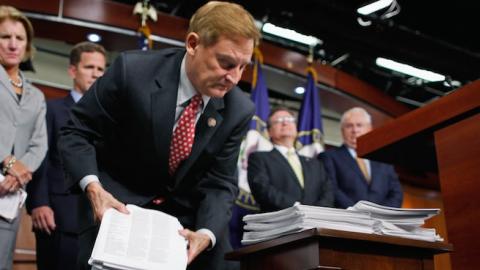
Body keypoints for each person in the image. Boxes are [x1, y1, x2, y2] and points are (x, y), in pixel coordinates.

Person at [57, 2, 260, 270]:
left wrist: (206, 233)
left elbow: (220, 182)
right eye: (226, 63)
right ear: (192, 44)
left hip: (187, 218)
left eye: (243, 67)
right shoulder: (132, 71)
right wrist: (94, 189)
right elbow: (76, 131)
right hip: (117, 203)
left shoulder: (239, 109)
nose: (234, 78)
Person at [26, 42, 106, 270]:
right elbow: (40, 156)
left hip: (95, 220)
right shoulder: (51, 109)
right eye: (89, 67)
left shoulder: (108, 117)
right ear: (73, 70)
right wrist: (39, 203)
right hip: (57, 217)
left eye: (100, 70)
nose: (95, 74)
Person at [0, 5, 47, 270]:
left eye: (19, 38)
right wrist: (7, 161)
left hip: (10, 193)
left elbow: (39, 142)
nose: (13, 44)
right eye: (5, 37)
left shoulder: (36, 95)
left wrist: (19, 172)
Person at [248, 107, 333, 212]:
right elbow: (262, 188)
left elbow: (328, 192)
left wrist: (316, 212)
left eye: (289, 120)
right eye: (278, 121)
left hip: (315, 223)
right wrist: (296, 207)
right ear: (269, 132)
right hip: (280, 223)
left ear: (296, 128)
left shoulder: (315, 164)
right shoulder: (259, 158)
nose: (285, 123)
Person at [320, 107, 403, 208]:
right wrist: (358, 213)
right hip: (348, 219)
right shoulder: (329, 157)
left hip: (382, 221)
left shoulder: (383, 159)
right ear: (342, 131)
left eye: (359, 125)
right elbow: (332, 189)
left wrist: (381, 213)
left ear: (369, 129)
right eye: (349, 126)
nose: (355, 130)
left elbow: (396, 193)